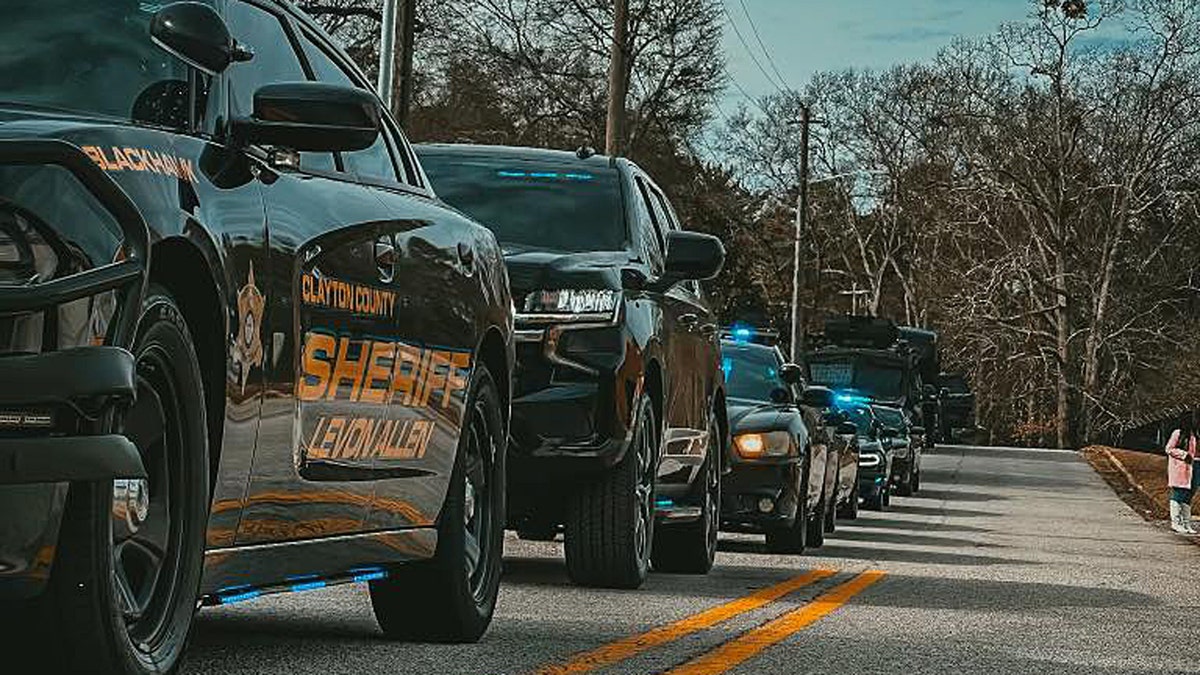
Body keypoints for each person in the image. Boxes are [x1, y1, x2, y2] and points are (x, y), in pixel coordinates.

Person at [1165, 413, 1199, 534]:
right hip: (1182, 467)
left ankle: (1186, 523)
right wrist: (1184, 455)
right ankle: (1176, 523)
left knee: (1189, 495)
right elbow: (1169, 448)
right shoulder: (1178, 433)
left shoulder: (1195, 434)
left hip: (1196, 465)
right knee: (1179, 494)